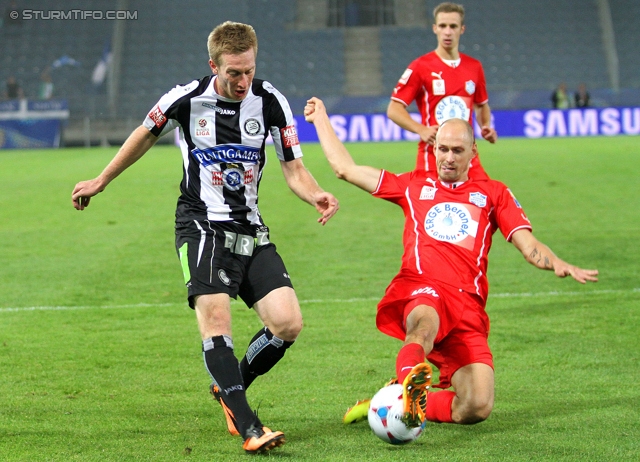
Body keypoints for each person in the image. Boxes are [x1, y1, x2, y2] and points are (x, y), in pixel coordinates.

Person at [71, 22, 339, 455]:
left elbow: (293, 168)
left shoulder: (270, 101)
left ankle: (230, 388)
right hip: (201, 225)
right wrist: (102, 179)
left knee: (287, 324)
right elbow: (144, 134)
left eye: (248, 70)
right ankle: (249, 425)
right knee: (217, 323)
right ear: (213, 65)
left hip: (250, 227)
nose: (242, 81)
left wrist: (316, 195)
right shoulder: (185, 98)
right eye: (233, 72)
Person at [304, 97, 598, 428]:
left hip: (467, 305)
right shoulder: (413, 185)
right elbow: (347, 169)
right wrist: (321, 119)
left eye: (457, 150)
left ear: (473, 153)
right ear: (433, 149)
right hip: (422, 286)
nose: (448, 157)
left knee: (475, 406)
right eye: (442, 148)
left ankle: (388, 400)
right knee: (423, 327)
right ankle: (408, 384)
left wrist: (556, 262)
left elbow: (527, 244)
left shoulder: (494, 194)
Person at [387, 2, 497, 178]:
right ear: (435, 28)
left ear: (462, 29)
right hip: (432, 159)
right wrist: (421, 129)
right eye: (442, 26)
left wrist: (485, 126)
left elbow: (481, 105)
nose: (447, 31)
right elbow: (394, 109)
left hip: (467, 158)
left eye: (453, 26)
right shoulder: (420, 67)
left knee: (486, 202)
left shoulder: (474, 67)